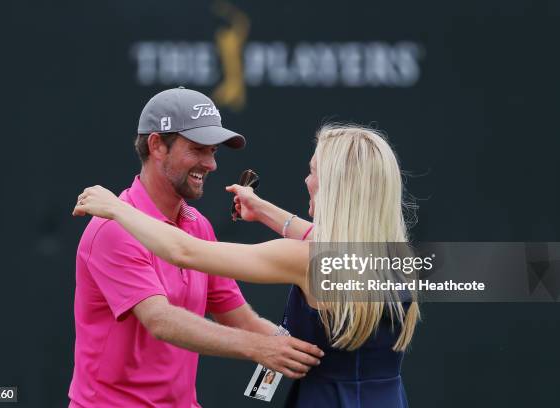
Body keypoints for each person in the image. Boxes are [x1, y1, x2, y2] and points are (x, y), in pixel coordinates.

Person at [73, 124, 420, 407]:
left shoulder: (303, 259)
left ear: (337, 186)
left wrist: (117, 208)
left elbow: (184, 252)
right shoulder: (394, 258)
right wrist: (263, 210)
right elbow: (324, 239)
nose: (306, 181)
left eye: (313, 172)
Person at [68, 87, 324, 408]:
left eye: (213, 151)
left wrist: (311, 355)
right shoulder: (113, 228)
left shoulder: (197, 224)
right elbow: (160, 320)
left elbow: (240, 319)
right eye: (198, 149)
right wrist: (260, 349)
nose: (211, 164)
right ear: (157, 145)